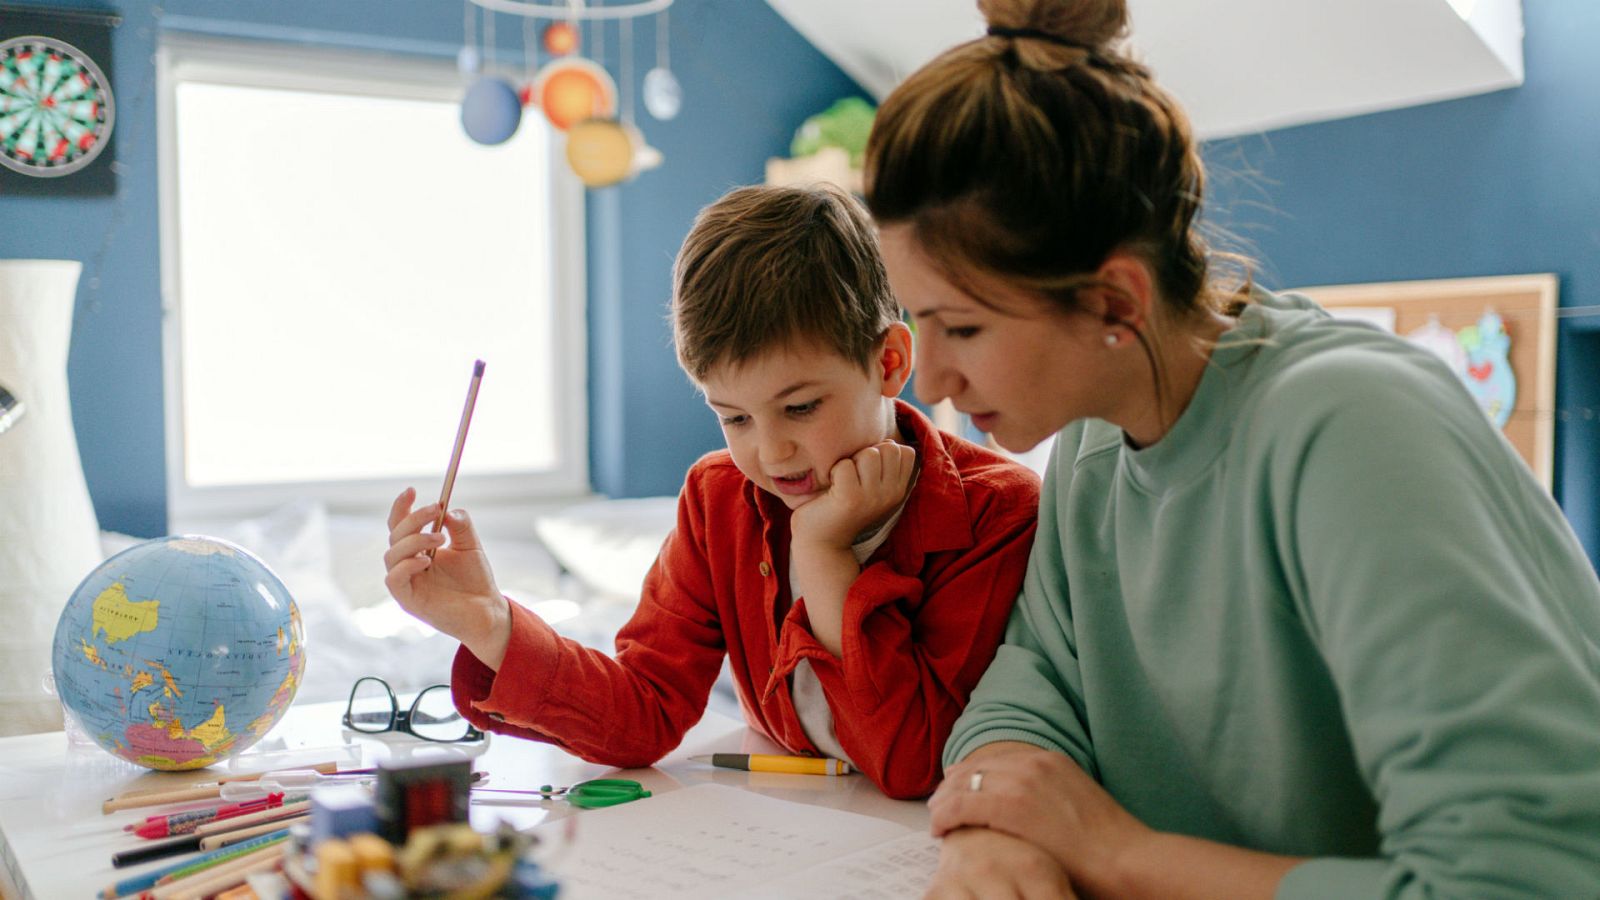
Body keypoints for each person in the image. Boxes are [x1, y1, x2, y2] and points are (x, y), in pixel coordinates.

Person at [863, 0, 1600, 895]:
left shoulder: (1351, 432)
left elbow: (1526, 880)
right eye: (920, 322)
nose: (932, 379)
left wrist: (1116, 853)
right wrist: (992, 831)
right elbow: (1033, 682)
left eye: (963, 327)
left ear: (1115, 302)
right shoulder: (1095, 441)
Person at [383, 185, 1041, 800]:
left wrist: (824, 554)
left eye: (801, 407)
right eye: (735, 417)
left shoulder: (998, 510)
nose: (771, 453)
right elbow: (644, 711)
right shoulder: (718, 497)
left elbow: (912, 762)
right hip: (786, 826)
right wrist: (490, 624)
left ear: (889, 361)